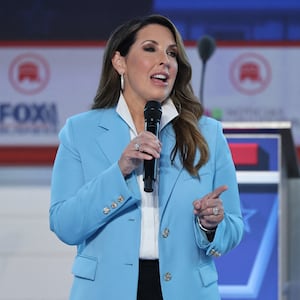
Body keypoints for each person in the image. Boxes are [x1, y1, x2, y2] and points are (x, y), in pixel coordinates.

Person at [49, 14, 244, 300]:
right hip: (105, 291)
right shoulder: (80, 132)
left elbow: (233, 229)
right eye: (150, 48)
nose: (165, 60)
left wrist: (210, 225)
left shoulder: (208, 134)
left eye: (172, 53)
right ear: (120, 62)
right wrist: (120, 171)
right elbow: (65, 225)